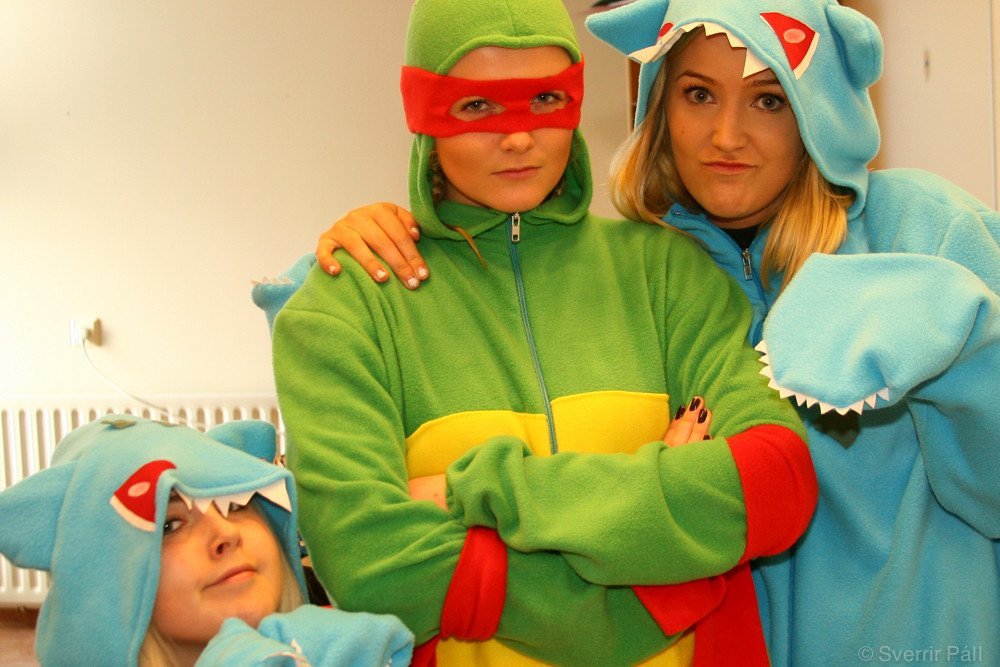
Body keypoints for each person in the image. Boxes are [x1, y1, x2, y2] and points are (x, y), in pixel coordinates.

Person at [317, 0, 1000, 664]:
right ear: (659, 104)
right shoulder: (659, 269)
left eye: (769, 100)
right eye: (699, 94)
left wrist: (967, 349)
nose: (726, 135)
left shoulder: (919, 228)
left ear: (818, 109)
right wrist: (378, 232)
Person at [253, 0, 819, 665]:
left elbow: (775, 483)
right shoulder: (347, 308)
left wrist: (472, 493)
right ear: (421, 109)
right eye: (477, 106)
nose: (518, 138)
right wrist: (651, 584)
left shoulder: (671, 275)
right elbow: (370, 562)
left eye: (544, 98)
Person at [0, 415, 414, 666]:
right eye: (170, 525)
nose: (226, 534)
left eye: (235, 505)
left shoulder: (354, 644)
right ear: (104, 582)